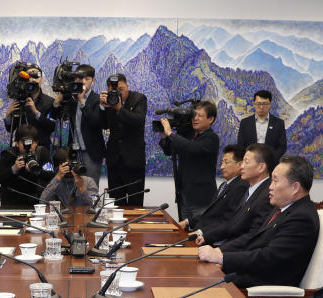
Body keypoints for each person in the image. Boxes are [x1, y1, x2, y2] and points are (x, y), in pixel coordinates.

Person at [198, 155, 319, 288]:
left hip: (262, 288)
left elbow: (268, 257)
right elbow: (254, 243)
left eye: (275, 181)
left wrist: (222, 258)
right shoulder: (282, 208)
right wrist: (222, 257)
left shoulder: (302, 218)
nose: (270, 187)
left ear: (295, 187)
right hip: (245, 274)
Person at [195, 143, 277, 249]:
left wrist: (220, 251)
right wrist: (206, 237)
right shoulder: (250, 190)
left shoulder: (267, 195)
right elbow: (232, 223)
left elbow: (253, 236)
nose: (241, 166)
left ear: (261, 167)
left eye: (246, 162)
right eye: (242, 162)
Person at [158, 100, 221, 220]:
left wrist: (171, 133)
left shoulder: (211, 138)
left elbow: (192, 148)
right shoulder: (189, 136)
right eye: (194, 115)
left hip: (201, 199)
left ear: (210, 119)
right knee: (184, 234)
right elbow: (169, 151)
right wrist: (165, 135)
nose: (195, 118)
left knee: (198, 234)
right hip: (184, 196)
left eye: (200, 116)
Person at [178, 144, 247, 235]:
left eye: (226, 162)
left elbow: (227, 220)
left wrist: (200, 233)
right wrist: (187, 222)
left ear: (240, 165)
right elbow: (210, 213)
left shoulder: (241, 187)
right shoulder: (224, 185)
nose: (222, 167)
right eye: (222, 163)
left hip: (212, 237)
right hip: (202, 231)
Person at [52, 64, 104, 183]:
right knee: (74, 187)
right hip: (73, 150)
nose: (83, 82)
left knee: (91, 186)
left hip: (91, 151)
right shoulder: (71, 98)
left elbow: (96, 122)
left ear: (93, 80)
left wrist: (82, 101)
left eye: (87, 79)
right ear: (76, 79)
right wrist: (57, 102)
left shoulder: (97, 99)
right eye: (80, 79)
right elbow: (55, 116)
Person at [101, 73, 147, 206]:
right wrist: (102, 107)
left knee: (135, 203)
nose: (118, 93)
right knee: (116, 203)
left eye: (121, 89)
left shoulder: (139, 98)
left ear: (127, 86)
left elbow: (138, 120)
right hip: (114, 159)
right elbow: (104, 125)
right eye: (114, 91)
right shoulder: (110, 100)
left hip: (134, 159)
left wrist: (119, 109)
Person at [0, 124, 53, 208]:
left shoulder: (41, 153)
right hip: (12, 203)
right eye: (25, 142)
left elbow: (51, 176)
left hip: (36, 201)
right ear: (17, 143)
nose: (29, 146)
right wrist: (14, 169)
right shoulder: (9, 154)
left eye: (32, 142)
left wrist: (37, 171)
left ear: (36, 143)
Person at [4, 65, 55, 155]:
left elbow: (51, 127)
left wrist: (36, 112)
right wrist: (8, 116)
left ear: (41, 80)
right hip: (21, 150)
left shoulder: (49, 101)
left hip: (42, 150)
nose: (33, 80)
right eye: (30, 76)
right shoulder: (19, 101)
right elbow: (10, 129)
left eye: (36, 77)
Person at [236, 90, 287, 164]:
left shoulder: (278, 123)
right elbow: (240, 145)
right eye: (258, 103)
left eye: (265, 104)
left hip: (271, 164)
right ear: (254, 104)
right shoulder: (245, 123)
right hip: (249, 164)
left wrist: (271, 159)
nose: (261, 107)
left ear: (270, 104)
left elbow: (282, 146)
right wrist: (248, 160)